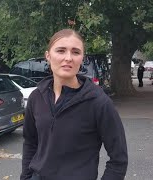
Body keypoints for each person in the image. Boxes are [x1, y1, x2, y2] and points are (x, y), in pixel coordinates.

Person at [21, 29, 128, 180]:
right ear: (48, 56)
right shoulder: (36, 97)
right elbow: (30, 142)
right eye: (61, 50)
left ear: (82, 58)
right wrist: (25, 177)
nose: (68, 58)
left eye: (76, 52)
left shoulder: (99, 103)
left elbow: (119, 160)